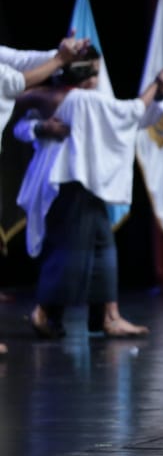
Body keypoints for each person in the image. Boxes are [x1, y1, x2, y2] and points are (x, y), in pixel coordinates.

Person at [13, 51, 163, 338]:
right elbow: (133, 111)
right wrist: (156, 84)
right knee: (70, 249)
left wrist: (42, 124)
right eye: (96, 71)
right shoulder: (83, 99)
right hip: (72, 181)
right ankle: (44, 310)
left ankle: (107, 317)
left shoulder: (55, 97)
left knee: (102, 247)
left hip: (81, 183)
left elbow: (135, 119)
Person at [0, 34, 89, 355]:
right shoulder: (51, 98)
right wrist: (60, 60)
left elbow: (19, 58)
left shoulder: (84, 100)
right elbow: (16, 79)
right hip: (52, 176)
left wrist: (60, 53)